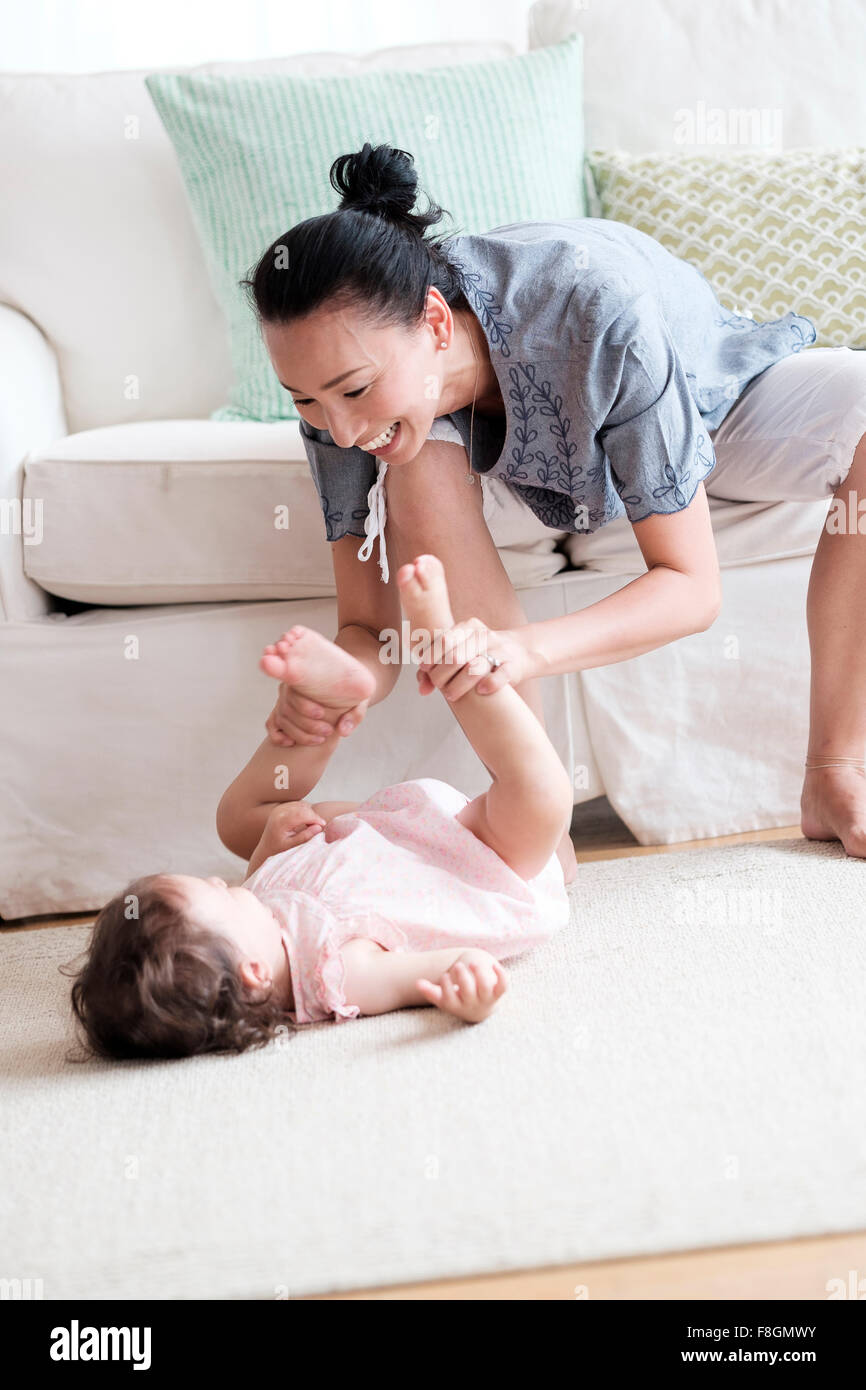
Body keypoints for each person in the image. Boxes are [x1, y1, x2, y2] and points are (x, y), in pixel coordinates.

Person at [238, 142, 866, 864]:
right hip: (513, 459)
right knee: (412, 467)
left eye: (353, 390)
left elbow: (692, 589)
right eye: (306, 401)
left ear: (437, 325)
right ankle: (534, 824)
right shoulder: (341, 404)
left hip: (708, 402)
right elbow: (366, 629)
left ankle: (836, 775)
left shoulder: (600, 311)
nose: (341, 428)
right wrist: (328, 691)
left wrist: (520, 650)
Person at [65, 555, 573, 1060]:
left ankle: (324, 706)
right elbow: (427, 973)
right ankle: (445, 650)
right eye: (221, 893)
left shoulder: (256, 926)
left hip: (393, 834)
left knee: (237, 817)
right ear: (254, 973)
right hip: (483, 863)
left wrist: (270, 845)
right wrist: (467, 989)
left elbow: (260, 878)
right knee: (544, 798)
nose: (225, 882)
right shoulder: (338, 976)